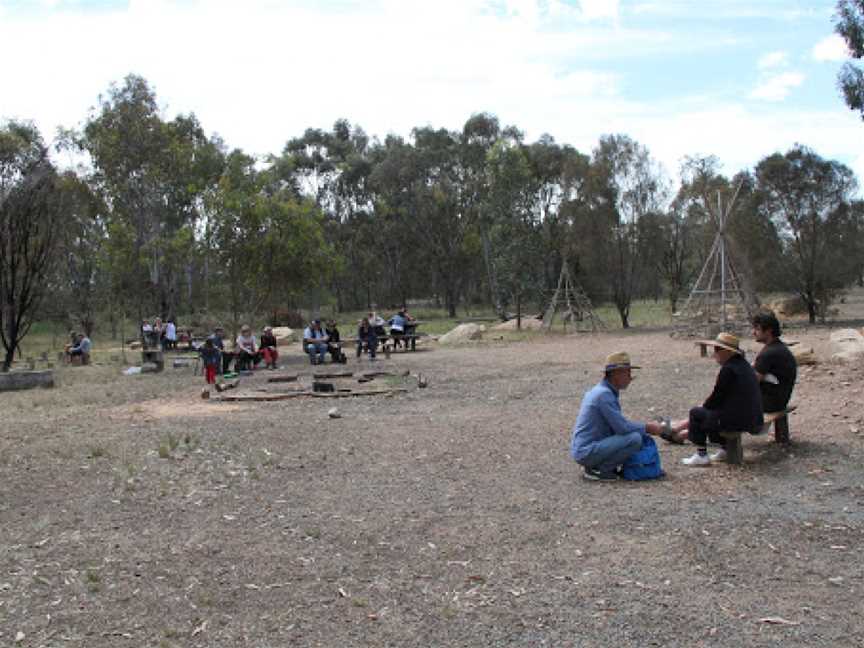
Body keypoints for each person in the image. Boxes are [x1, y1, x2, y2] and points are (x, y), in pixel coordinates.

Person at [570, 352, 664, 482]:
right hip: (587, 451)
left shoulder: (602, 391)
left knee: (636, 435)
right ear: (616, 374)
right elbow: (622, 428)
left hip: (587, 448)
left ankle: (598, 466)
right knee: (634, 439)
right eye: (627, 373)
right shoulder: (604, 395)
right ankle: (601, 470)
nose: (630, 378)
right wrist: (648, 427)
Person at [678, 332, 764, 466]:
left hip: (740, 420)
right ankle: (724, 448)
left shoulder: (729, 369)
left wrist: (703, 407)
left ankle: (701, 454)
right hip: (753, 417)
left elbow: (717, 397)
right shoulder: (743, 365)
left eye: (717, 349)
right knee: (711, 414)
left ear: (728, 352)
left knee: (696, 413)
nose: (715, 353)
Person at [751, 311, 797, 414]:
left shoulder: (769, 353)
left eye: (757, 329)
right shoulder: (778, 347)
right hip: (780, 400)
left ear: (769, 331)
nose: (753, 332)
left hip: (770, 403)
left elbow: (751, 382)